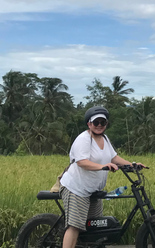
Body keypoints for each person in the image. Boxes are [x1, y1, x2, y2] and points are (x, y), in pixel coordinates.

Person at [60, 106, 139, 248]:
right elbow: (82, 162)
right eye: (96, 122)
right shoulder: (84, 139)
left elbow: (114, 157)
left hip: (93, 190)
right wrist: (102, 167)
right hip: (77, 189)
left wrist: (132, 165)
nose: (99, 125)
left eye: (103, 122)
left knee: (94, 226)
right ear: (89, 124)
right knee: (75, 226)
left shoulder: (105, 139)